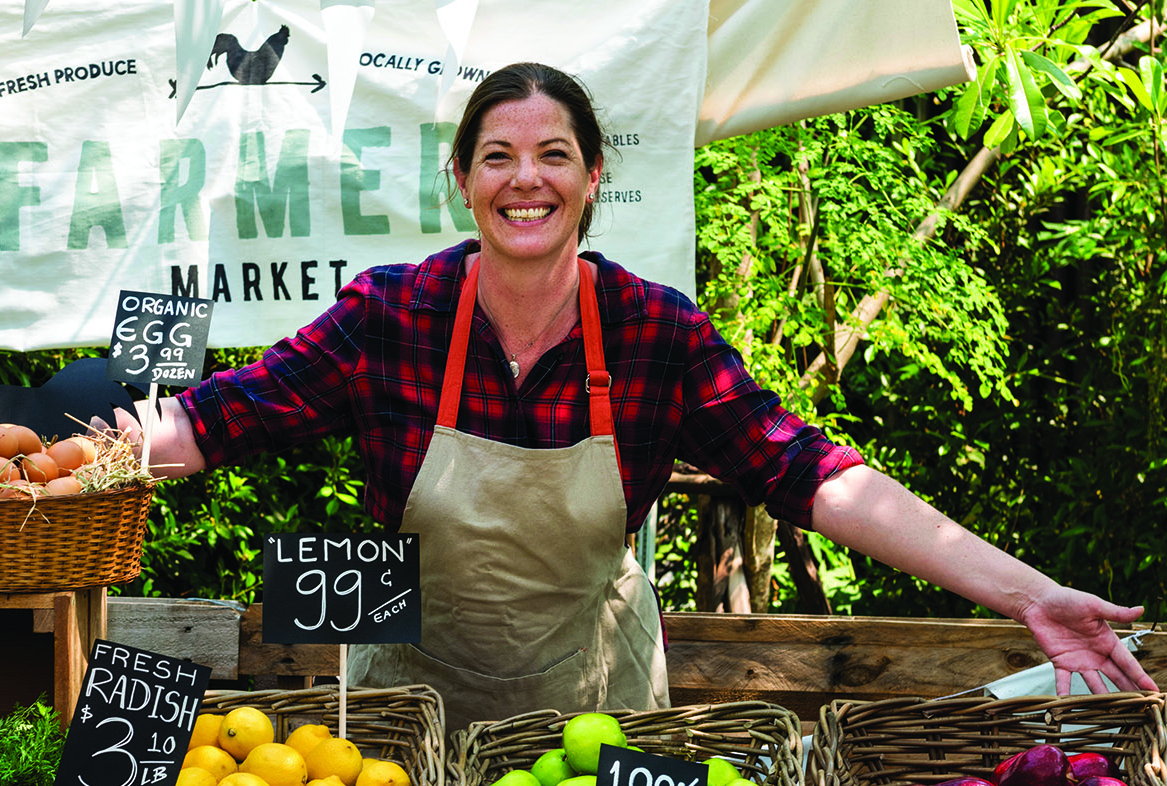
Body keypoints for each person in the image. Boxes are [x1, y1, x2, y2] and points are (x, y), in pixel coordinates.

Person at [106, 60, 1155, 730]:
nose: (526, 179)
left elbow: (810, 474)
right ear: (463, 181)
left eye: (553, 156)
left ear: (593, 176)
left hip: (594, 713)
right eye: (498, 157)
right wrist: (58, 462)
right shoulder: (393, 315)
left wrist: (1026, 594)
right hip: (402, 716)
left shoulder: (657, 335)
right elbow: (213, 422)